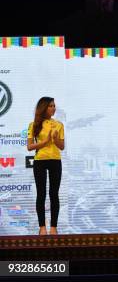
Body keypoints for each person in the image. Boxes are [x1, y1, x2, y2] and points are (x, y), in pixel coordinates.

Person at [27, 97, 65, 235]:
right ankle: (42, 227)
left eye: (54, 105)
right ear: (43, 108)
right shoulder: (33, 125)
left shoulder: (59, 124)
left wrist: (54, 140)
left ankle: (54, 227)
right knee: (41, 194)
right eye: (50, 106)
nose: (53, 108)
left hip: (55, 160)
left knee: (54, 194)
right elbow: (29, 147)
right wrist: (46, 141)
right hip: (40, 161)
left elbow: (62, 146)